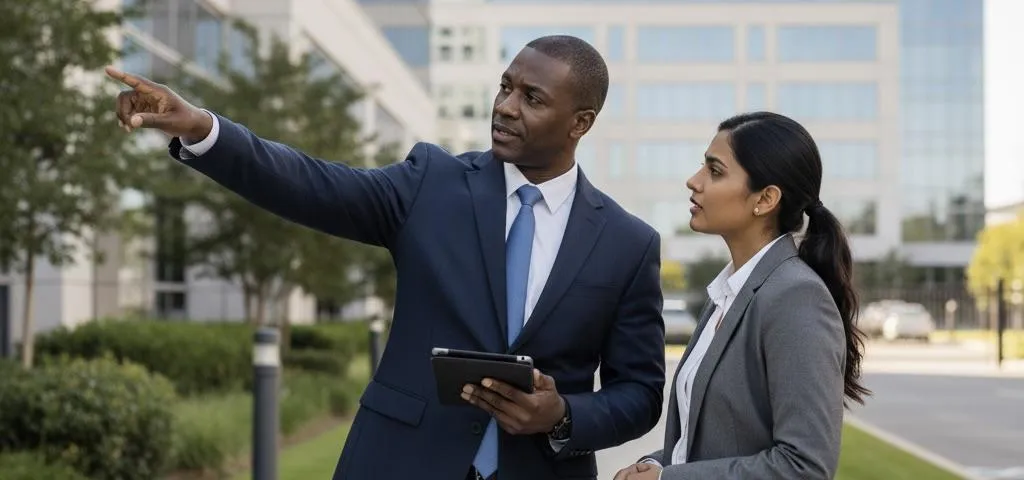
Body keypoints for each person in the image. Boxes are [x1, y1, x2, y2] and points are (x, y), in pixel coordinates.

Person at [107, 34, 665, 480]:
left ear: (581, 123)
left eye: (532, 98)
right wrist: (205, 129)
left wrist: (563, 414)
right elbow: (312, 184)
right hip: (400, 459)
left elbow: (639, 394)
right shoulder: (432, 182)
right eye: (505, 87)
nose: (505, 107)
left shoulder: (627, 243)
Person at [614, 112, 871, 480]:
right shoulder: (727, 293)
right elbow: (711, 442)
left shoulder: (795, 297)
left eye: (715, 171)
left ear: (765, 199)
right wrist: (656, 464)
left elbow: (805, 467)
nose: (694, 181)